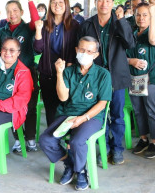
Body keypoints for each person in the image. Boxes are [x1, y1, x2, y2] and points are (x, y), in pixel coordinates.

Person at [39, 36, 112, 191]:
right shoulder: (69, 71)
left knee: (77, 141)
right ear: (76, 50)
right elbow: (63, 97)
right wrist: (59, 73)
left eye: (89, 51)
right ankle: (70, 163)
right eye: (82, 50)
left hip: (91, 116)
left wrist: (83, 118)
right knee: (46, 139)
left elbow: (102, 104)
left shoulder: (103, 74)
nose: (85, 53)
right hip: (67, 114)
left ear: (96, 55)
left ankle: (81, 172)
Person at [78, 0, 135, 165]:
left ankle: (117, 149)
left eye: (108, 0)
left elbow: (130, 44)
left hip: (116, 76)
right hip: (94, 78)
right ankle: (105, 149)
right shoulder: (87, 24)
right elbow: (81, 49)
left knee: (117, 114)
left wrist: (122, 20)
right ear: (95, 2)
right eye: (100, 0)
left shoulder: (119, 22)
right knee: (100, 115)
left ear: (112, 3)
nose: (104, 4)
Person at [0, 34, 33, 182]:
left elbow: (22, 99)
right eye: (4, 49)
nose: (7, 53)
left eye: (12, 50)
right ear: (0, 50)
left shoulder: (23, 72)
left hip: (8, 109)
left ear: (18, 53)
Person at [0, 0, 40, 153]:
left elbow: (36, 21)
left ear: (21, 12)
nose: (12, 14)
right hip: (9, 76)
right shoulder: (2, 32)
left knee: (30, 107)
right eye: (8, 11)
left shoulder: (27, 28)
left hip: (28, 73)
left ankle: (30, 139)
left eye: (15, 10)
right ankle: (17, 139)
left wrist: (30, 0)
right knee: (12, 107)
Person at [33, 0, 80, 127]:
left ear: (66, 5)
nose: (57, 5)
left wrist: (69, 67)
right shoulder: (44, 24)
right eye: (53, 2)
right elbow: (38, 49)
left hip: (68, 73)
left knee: (67, 108)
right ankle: (52, 141)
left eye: (60, 2)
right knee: (51, 109)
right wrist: (38, 30)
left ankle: (67, 140)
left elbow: (76, 48)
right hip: (47, 72)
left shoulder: (75, 25)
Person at [127, 2, 155, 159]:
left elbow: (153, 41)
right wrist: (130, 61)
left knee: (151, 110)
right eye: (138, 15)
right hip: (134, 78)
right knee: (138, 110)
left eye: (145, 14)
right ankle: (143, 139)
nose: (141, 18)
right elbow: (122, 54)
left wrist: (153, 14)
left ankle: (154, 142)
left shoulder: (153, 32)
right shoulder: (132, 33)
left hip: (150, 78)